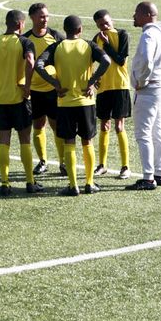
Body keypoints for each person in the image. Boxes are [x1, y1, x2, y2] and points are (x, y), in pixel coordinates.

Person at [35, 15, 110, 196]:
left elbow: (38, 64)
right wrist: (92, 81)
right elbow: (107, 61)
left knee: (69, 142)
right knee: (87, 141)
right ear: (80, 29)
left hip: (65, 102)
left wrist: (55, 84)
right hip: (86, 102)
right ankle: (89, 183)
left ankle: (72, 185)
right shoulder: (88, 46)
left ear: (65, 29)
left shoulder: (57, 47)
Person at [0, 10, 44, 195]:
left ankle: (4, 183)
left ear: (7, 23)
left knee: (4, 141)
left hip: (0, 99)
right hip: (19, 98)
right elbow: (30, 61)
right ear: (20, 24)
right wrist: (27, 86)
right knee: (25, 140)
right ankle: (30, 181)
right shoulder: (25, 42)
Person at [125, 1, 161, 191]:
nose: (133, 16)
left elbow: (146, 60)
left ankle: (148, 177)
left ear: (146, 15)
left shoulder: (148, 35)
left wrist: (140, 81)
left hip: (149, 90)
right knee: (157, 131)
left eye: (136, 13)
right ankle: (158, 173)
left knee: (143, 134)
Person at [24, 3, 66, 176]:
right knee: (38, 125)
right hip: (34, 91)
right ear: (32, 17)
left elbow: (66, 57)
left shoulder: (56, 36)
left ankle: (63, 163)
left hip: (53, 90)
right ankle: (42, 161)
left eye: (47, 16)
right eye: (42, 16)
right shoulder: (26, 39)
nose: (45, 19)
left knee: (57, 126)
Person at [91, 9, 132, 180]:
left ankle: (125, 167)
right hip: (104, 89)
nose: (105, 27)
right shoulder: (95, 39)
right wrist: (93, 79)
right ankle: (102, 165)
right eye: (101, 25)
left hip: (120, 86)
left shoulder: (122, 35)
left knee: (119, 126)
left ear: (112, 20)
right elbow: (89, 62)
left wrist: (107, 45)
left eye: (107, 23)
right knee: (104, 126)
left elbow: (120, 60)